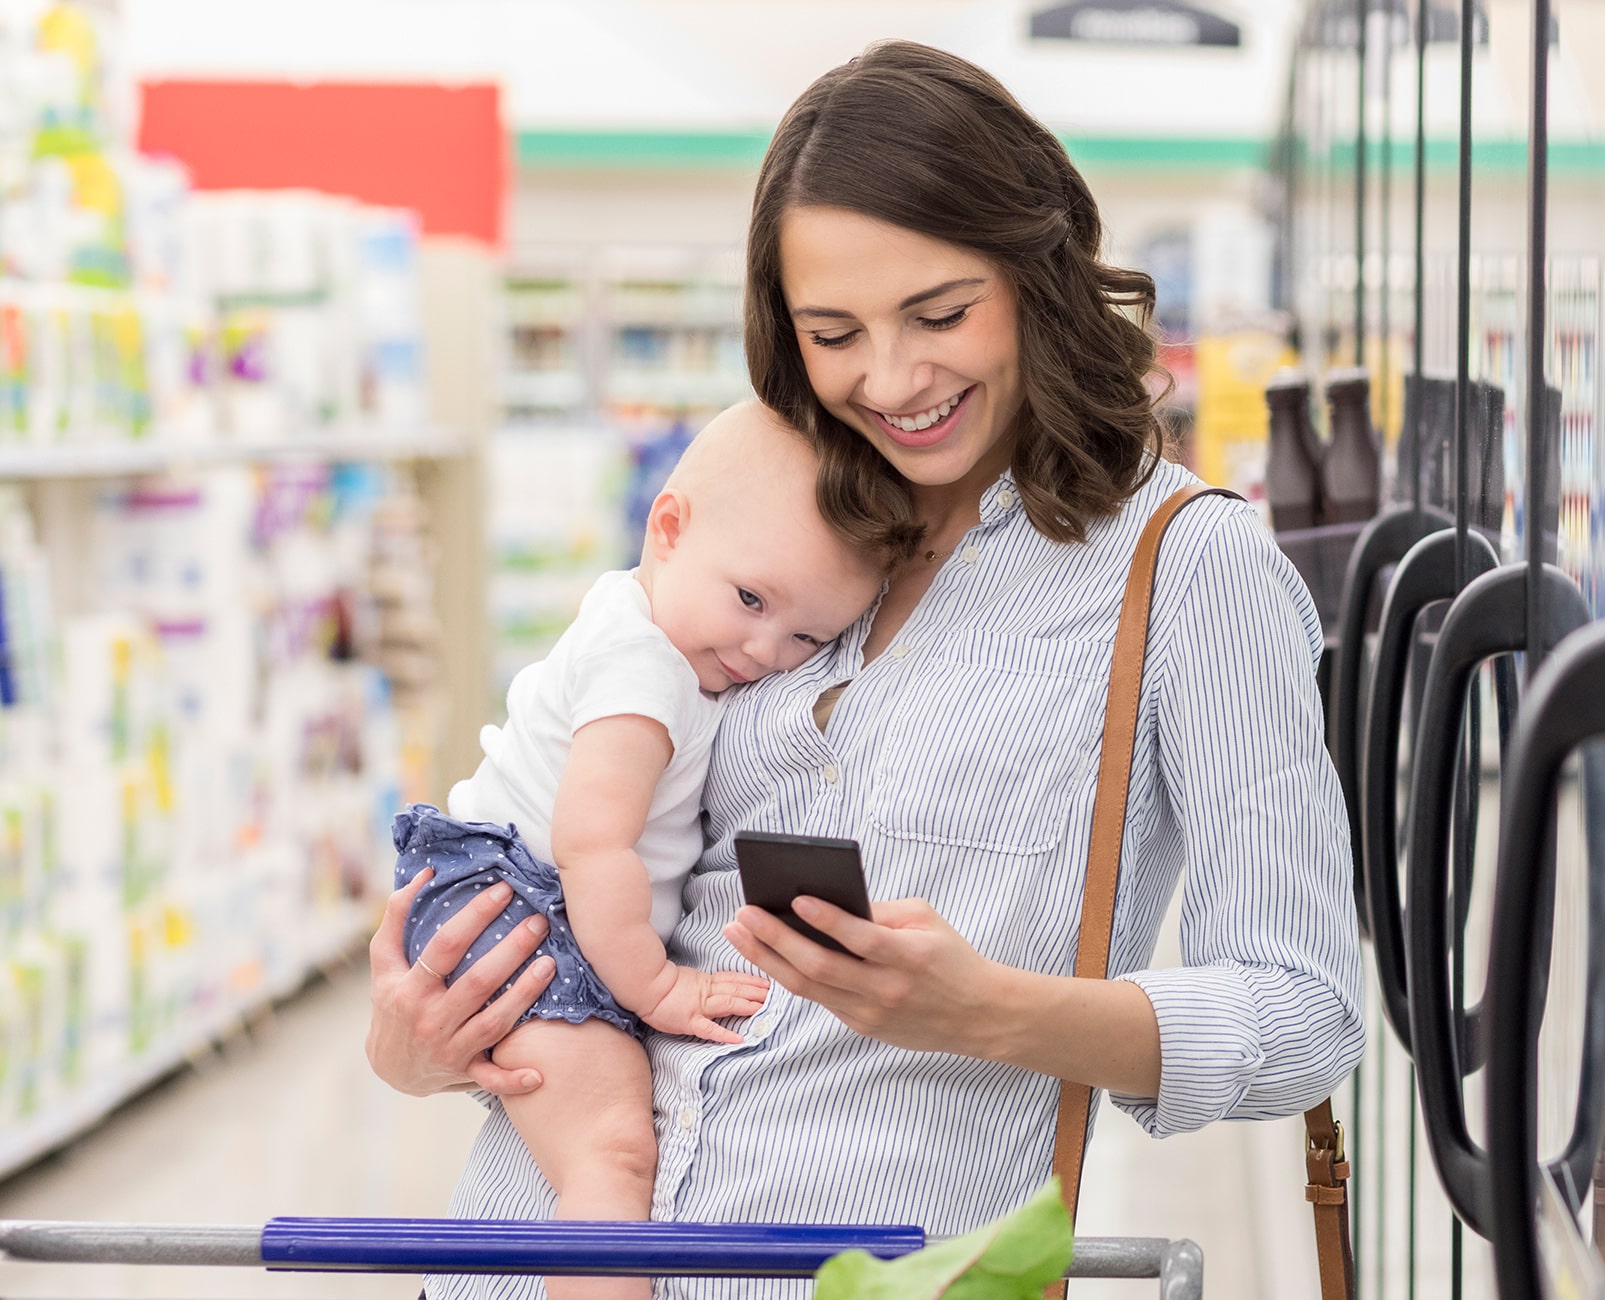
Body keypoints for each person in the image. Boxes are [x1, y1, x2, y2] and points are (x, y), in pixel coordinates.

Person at [365, 40, 1362, 1300]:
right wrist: (421, 1039)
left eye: (940, 315)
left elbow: (1306, 1009)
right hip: (535, 1251)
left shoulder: (1189, 568)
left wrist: (990, 1010)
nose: (891, 381)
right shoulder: (780, 536)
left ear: (1037, 273)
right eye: (834, 333)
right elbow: (602, 856)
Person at [391, 401, 882, 1300]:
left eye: (807, 637)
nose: (763, 648)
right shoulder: (645, 670)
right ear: (668, 527)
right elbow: (592, 843)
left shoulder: (657, 629)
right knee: (611, 1158)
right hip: (525, 902)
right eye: (749, 600)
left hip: (532, 901)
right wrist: (657, 986)